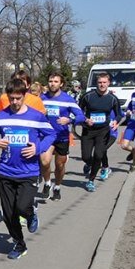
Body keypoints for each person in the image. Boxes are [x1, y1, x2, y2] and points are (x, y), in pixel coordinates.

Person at [0, 79, 55, 260]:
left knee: (22, 207)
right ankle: (19, 244)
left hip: (28, 172)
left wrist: (38, 148)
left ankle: (31, 214)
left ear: (25, 96)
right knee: (8, 214)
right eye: (11, 98)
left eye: (18, 98)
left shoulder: (36, 116)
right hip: (5, 171)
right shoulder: (1, 116)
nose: (15, 102)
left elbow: (51, 134)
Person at [40, 73, 86, 201]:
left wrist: (69, 120)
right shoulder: (42, 98)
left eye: (55, 81)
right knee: (44, 161)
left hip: (62, 137)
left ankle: (57, 186)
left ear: (61, 84)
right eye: (50, 81)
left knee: (60, 165)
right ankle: (47, 183)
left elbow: (80, 116)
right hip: (46, 135)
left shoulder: (67, 99)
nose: (52, 84)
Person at [78, 72, 121, 192]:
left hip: (103, 131)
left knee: (98, 155)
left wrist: (115, 122)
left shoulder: (113, 99)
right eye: (99, 82)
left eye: (104, 82)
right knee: (86, 156)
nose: (102, 85)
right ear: (96, 83)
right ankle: (89, 164)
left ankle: (91, 180)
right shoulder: (88, 96)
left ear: (109, 83)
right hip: (88, 130)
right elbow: (78, 111)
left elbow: (119, 114)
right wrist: (85, 120)